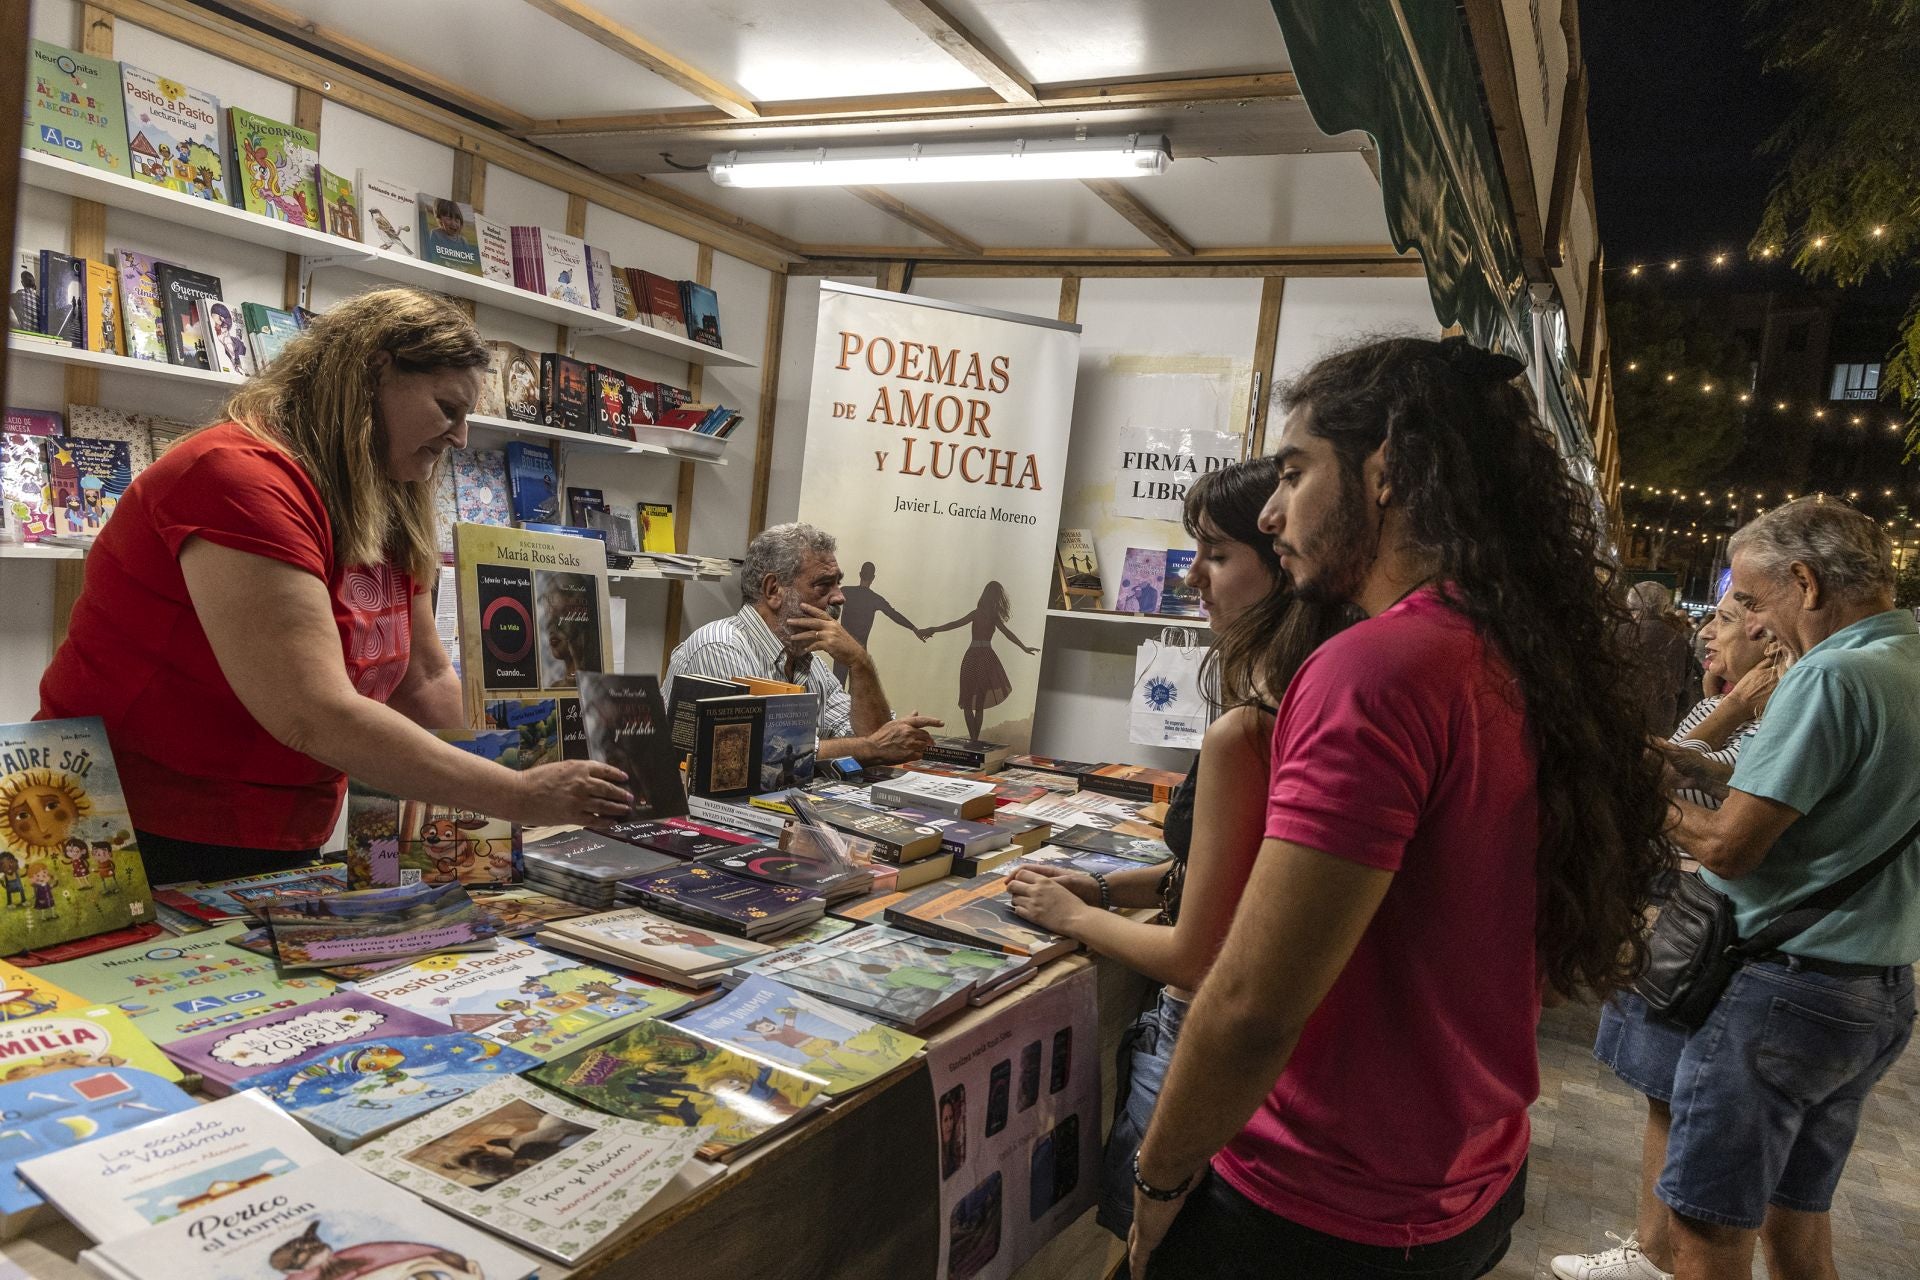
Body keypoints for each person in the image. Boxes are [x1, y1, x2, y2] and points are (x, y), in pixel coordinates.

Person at [1126, 337, 1667, 1279]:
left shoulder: (1374, 669)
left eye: (1295, 472)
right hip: (1466, 1181)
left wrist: (1158, 1183)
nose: (1270, 509)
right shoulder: (1514, 650)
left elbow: (1252, 1002)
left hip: (1316, 1204)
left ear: (1387, 472)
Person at [36, 287, 631, 884]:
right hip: (126, 828)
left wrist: (529, 771)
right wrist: (517, 792)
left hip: (278, 825)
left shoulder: (387, 492)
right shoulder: (234, 476)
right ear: (374, 370)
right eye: (448, 409)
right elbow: (311, 712)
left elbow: (422, 682)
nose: (461, 438)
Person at [1004, 458, 1351, 1238]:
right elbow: (1235, 870)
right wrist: (1109, 887)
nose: (1192, 576)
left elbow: (1197, 957)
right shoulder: (1299, 696)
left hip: (1192, 1050)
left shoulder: (1249, 727)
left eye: (1217, 555)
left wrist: (1072, 913)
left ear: (1281, 568)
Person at [1648, 499, 1919, 1280]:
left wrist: (1646, 795)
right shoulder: (1908, 660)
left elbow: (1730, 847)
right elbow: (1846, 804)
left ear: (1804, 581)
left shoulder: (1833, 673)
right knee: (1795, 1223)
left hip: (1785, 992)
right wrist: (1702, 764)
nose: (1756, 625)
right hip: (1876, 994)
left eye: (1758, 601)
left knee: (1708, 1230)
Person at [1552, 591, 1780, 1280]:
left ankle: (1660, 1253)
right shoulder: (1743, 704)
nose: (1707, 636)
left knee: (1708, 1143)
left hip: (1719, 924)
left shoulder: (1793, 710)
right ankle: (1650, 1252)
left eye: (1725, 623)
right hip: (1694, 916)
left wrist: (1725, 716)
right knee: (1667, 1094)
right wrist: (1728, 705)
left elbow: (1712, 815)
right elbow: (1687, 756)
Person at [663, 522, 943, 765]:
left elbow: (875, 739)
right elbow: (752, 755)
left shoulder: (806, 659)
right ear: (773, 591)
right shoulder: (720, 646)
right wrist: (868, 748)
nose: (839, 597)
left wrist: (860, 662)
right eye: (824, 585)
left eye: (838, 584)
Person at [917, 581, 1039, 742]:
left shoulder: (977, 613)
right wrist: (1023, 647)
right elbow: (1008, 634)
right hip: (987, 657)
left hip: (973, 656)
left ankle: (974, 740)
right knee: (978, 703)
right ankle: (974, 740)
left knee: (968, 702)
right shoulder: (993, 617)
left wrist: (933, 629)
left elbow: (955, 624)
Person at [833, 561, 924, 683]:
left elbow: (827, 602)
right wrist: (914, 628)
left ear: (860, 574)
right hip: (859, 651)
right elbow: (894, 614)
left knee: (836, 689)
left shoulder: (846, 591)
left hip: (842, 648)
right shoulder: (875, 599)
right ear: (873, 578)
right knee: (857, 694)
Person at [1624, 581, 1693, 736]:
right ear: (1664, 607)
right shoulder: (1679, 640)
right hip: (1659, 723)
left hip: (1617, 717)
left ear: (1630, 604)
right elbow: (1685, 691)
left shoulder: (1614, 632)